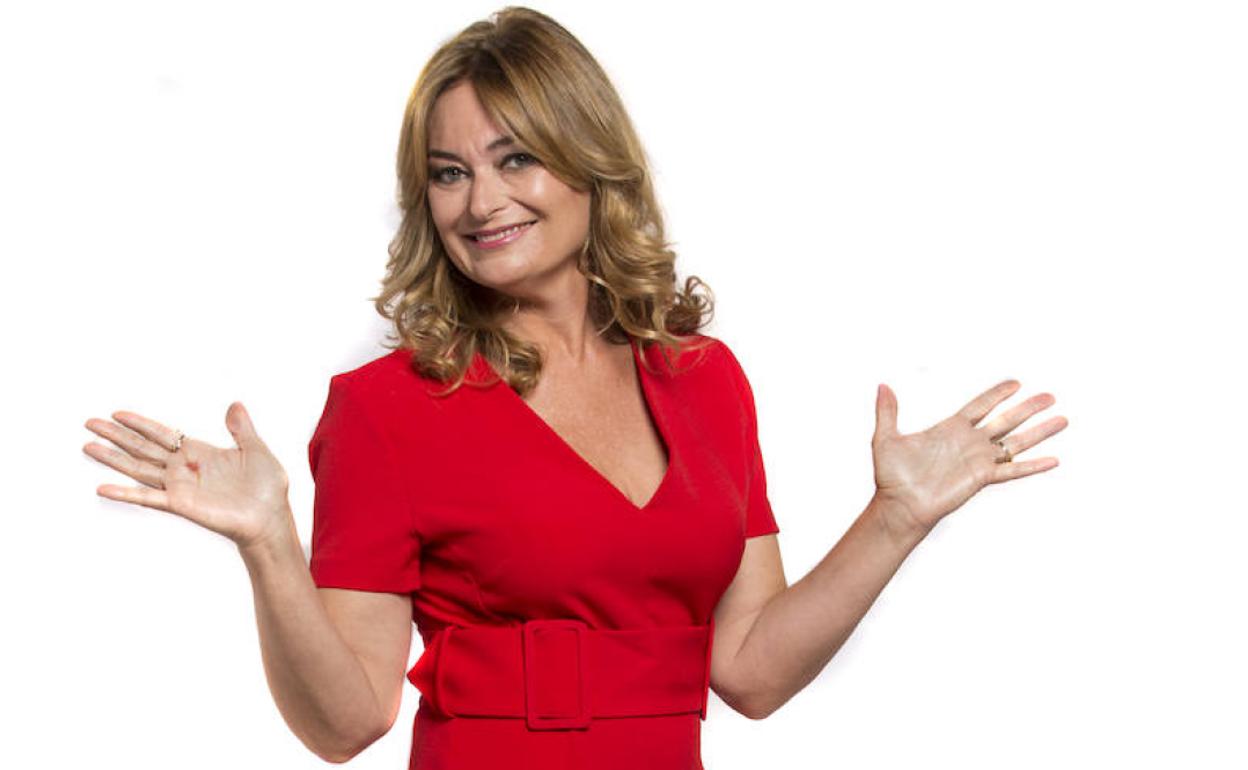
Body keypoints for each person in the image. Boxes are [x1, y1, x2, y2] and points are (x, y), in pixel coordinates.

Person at [81, 6, 1068, 769]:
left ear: (592, 163)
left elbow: (751, 670)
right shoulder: (388, 407)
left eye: (516, 158)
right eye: (448, 173)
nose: (482, 201)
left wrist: (897, 517)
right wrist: (269, 544)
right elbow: (345, 723)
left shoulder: (706, 380)